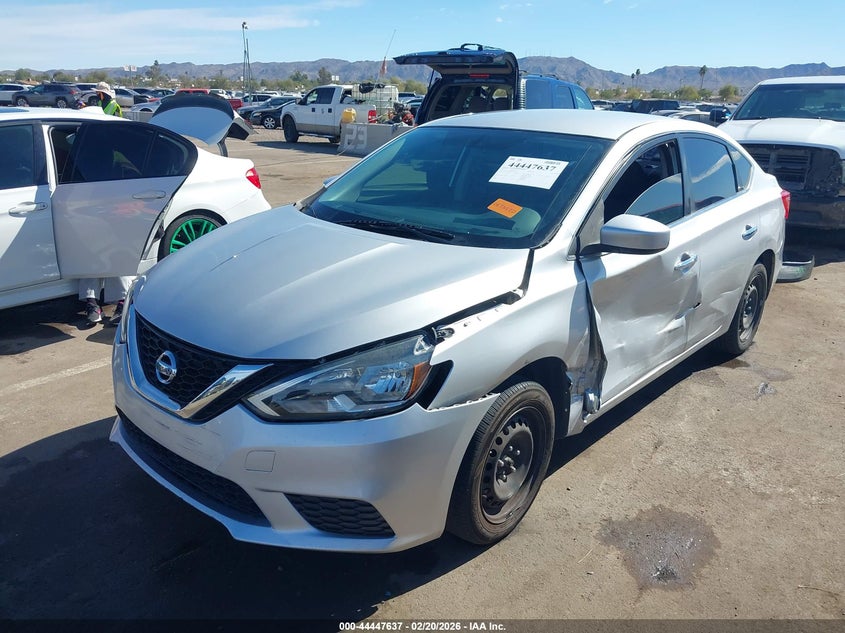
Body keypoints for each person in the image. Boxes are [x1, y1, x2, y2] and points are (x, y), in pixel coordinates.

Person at [79, 81, 130, 326]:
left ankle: (121, 301)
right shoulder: (85, 150)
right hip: (89, 200)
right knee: (91, 249)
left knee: (117, 249)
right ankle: (91, 301)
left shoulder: (111, 111)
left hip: (114, 199)